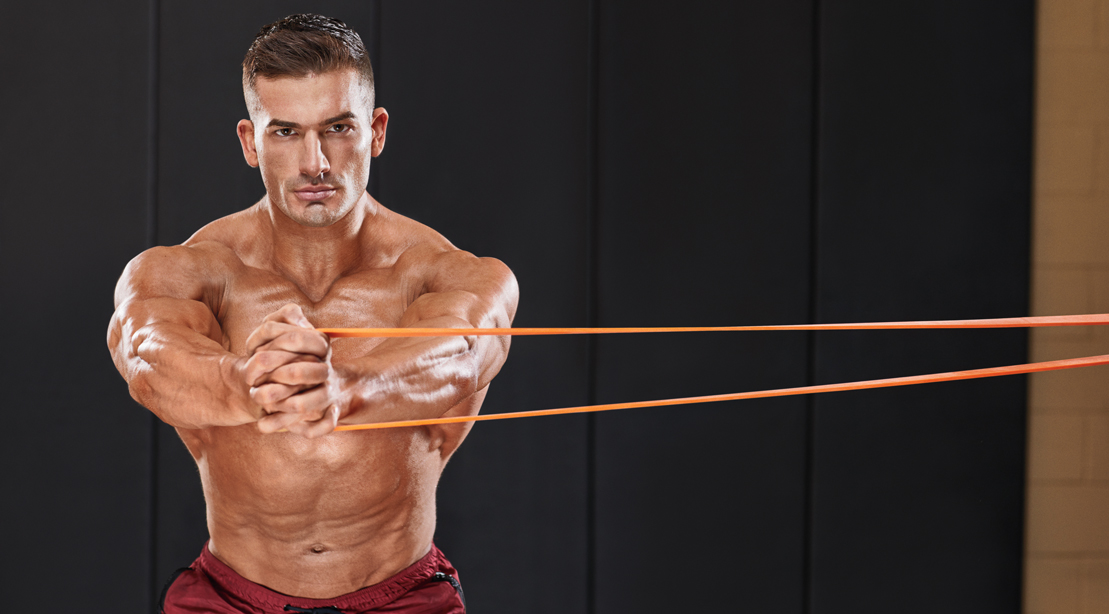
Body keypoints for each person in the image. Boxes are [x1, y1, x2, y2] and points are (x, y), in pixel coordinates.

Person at [107, 13, 517, 613]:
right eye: (286, 133)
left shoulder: (448, 272)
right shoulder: (194, 270)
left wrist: (346, 389)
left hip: (400, 597)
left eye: (338, 128)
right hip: (231, 597)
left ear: (376, 131)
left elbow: (464, 351)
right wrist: (246, 385)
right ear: (251, 142)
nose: (315, 163)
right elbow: (146, 353)